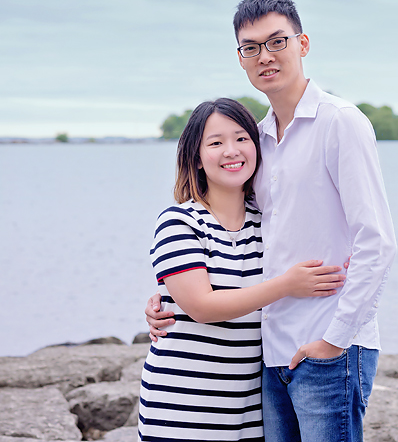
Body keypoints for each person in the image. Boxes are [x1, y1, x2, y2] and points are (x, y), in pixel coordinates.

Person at [147, 0, 397, 442]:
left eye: (277, 41)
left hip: (328, 347)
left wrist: (335, 341)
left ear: (302, 44)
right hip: (271, 353)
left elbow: (377, 242)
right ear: (240, 58)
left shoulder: (340, 121)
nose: (265, 56)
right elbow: (235, 241)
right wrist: (168, 302)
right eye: (251, 47)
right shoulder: (257, 140)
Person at [139, 97, 347, 442]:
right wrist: (286, 285)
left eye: (241, 139)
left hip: (250, 415)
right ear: (197, 157)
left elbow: (329, 250)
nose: (231, 151)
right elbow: (202, 307)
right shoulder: (179, 221)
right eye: (216, 143)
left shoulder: (267, 224)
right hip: (180, 409)